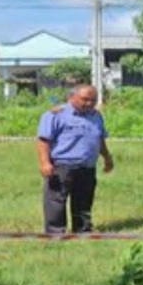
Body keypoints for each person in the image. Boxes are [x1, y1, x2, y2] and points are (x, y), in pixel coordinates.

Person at [37, 84, 114, 234]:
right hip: (62, 166)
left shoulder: (96, 116)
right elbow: (43, 140)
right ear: (71, 97)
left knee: (84, 201)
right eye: (85, 99)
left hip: (87, 167)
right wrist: (44, 163)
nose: (89, 103)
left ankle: (82, 230)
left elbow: (99, 139)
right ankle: (55, 233)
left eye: (93, 100)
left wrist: (107, 157)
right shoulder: (56, 115)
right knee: (56, 201)